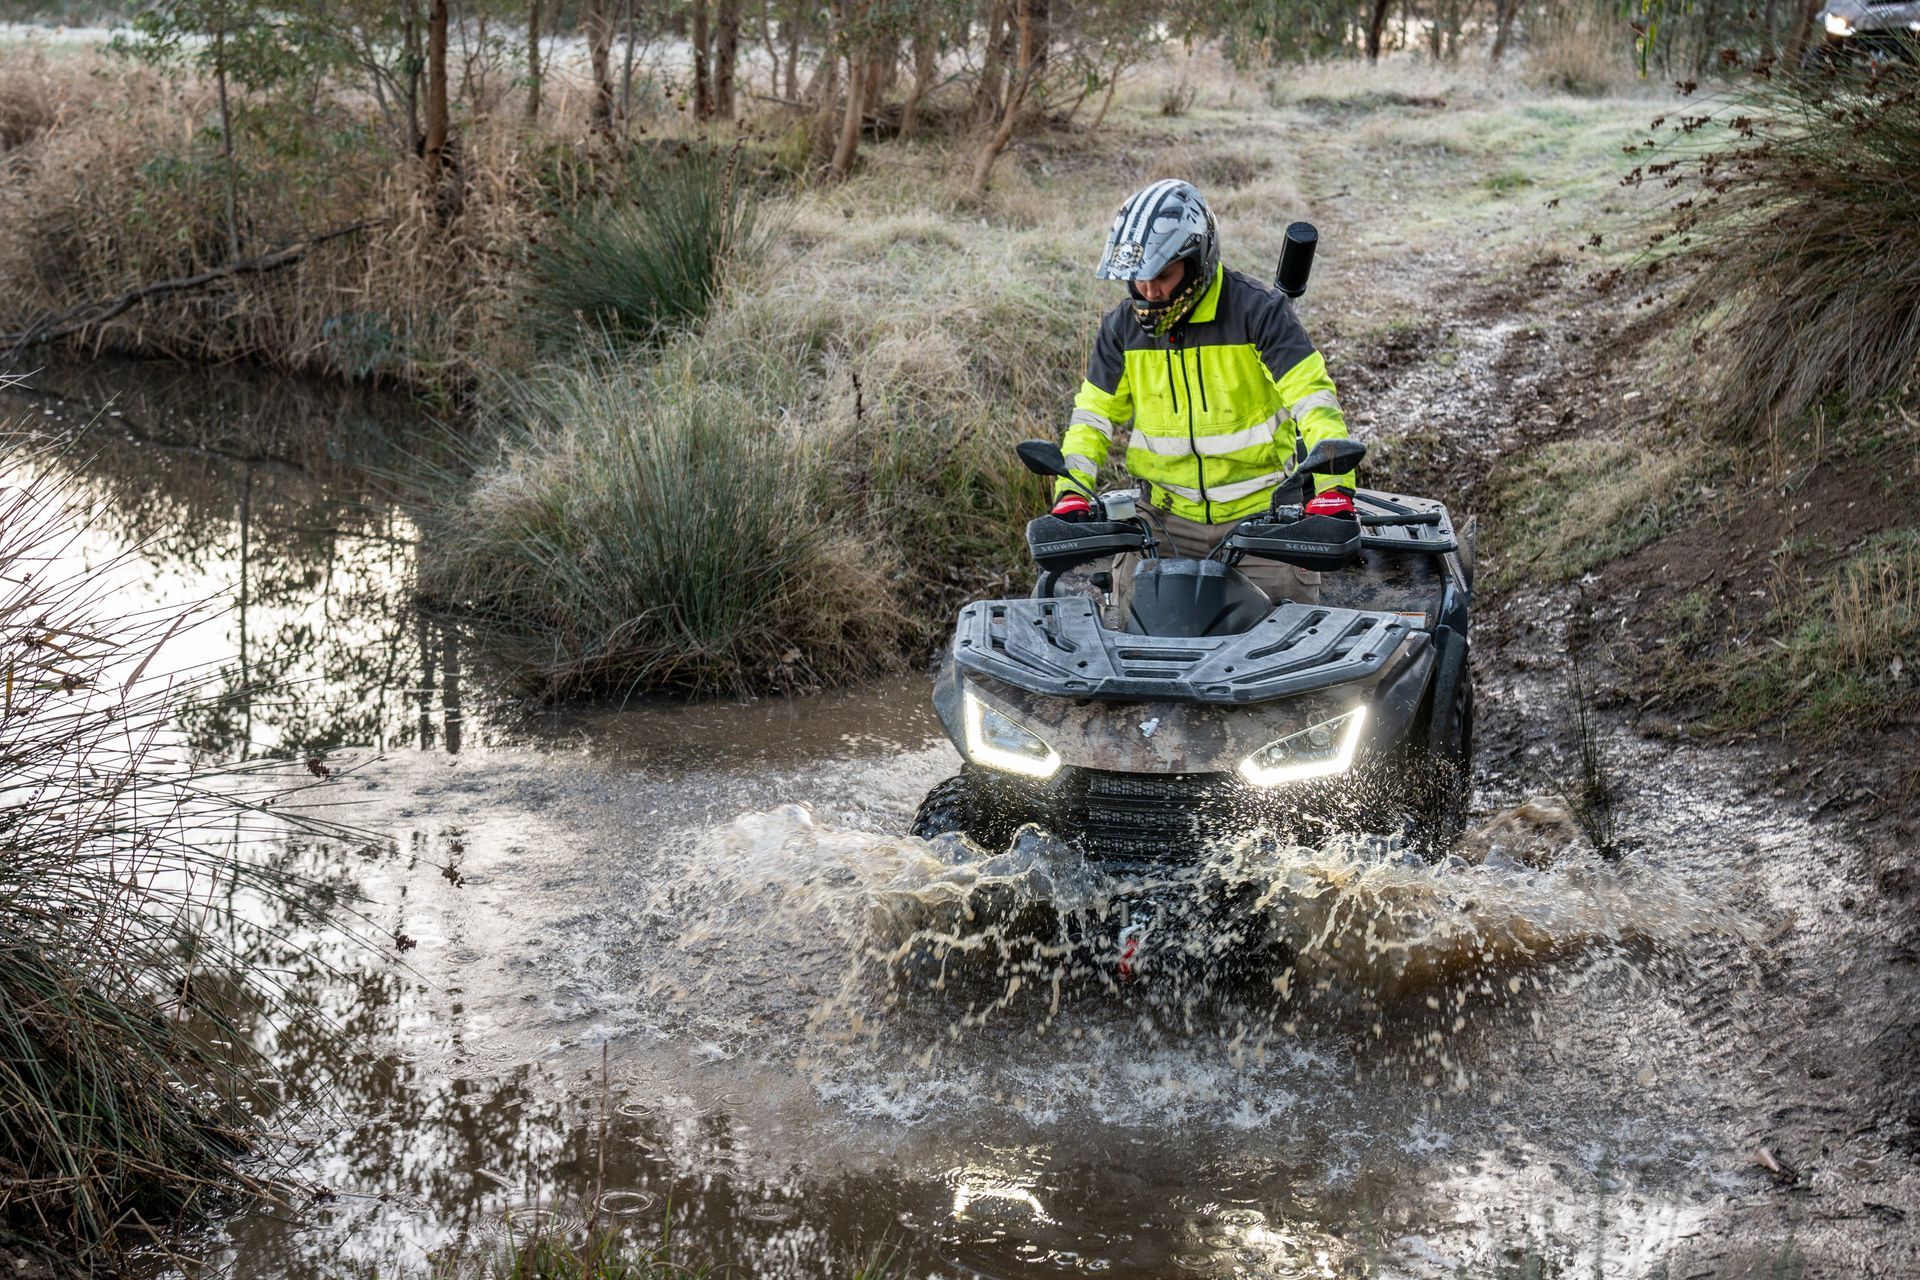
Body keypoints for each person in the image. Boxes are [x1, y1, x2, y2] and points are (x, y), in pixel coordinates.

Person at [1051, 179, 1356, 606]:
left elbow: (1314, 399)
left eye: (1163, 276)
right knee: (1129, 650)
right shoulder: (1122, 328)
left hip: (1263, 520)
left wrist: (1332, 490)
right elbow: (1093, 416)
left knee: (1280, 657)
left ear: (1197, 262)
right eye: (1139, 277)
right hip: (1161, 523)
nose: (1149, 290)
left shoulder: (1259, 313)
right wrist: (1071, 492)